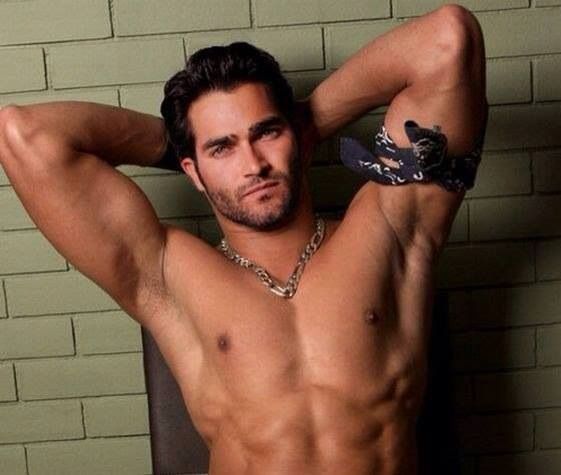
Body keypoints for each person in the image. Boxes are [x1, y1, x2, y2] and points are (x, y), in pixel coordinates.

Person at [0, 4, 487, 474]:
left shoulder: (390, 229)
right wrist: (179, 147)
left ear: (295, 136)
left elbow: (448, 40)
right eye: (222, 148)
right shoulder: (169, 274)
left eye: (267, 133)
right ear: (193, 170)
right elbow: (24, 135)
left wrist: (311, 120)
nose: (252, 165)